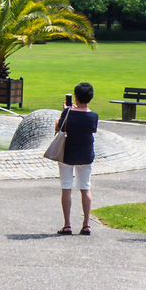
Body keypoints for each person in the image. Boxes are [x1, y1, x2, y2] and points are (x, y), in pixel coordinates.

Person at [56, 82, 99, 234]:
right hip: (86, 154)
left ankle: (67, 224)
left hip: (67, 154)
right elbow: (92, 129)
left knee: (66, 188)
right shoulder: (93, 116)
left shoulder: (68, 114)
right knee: (85, 188)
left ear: (76, 97)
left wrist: (65, 112)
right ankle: (86, 223)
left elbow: (58, 128)